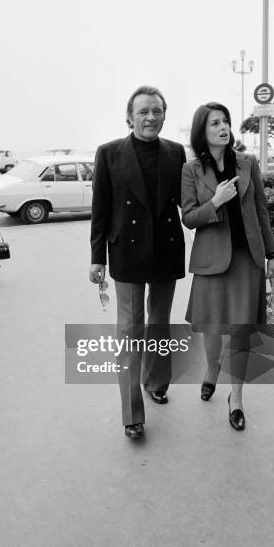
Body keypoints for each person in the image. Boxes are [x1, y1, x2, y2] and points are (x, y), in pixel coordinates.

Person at [89, 86, 187, 439]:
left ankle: (157, 382)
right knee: (130, 330)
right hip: (127, 253)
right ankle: (132, 414)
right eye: (143, 111)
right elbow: (99, 209)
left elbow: (186, 203)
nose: (150, 117)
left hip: (166, 249)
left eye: (157, 111)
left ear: (164, 115)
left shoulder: (176, 153)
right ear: (129, 117)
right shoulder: (109, 153)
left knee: (159, 323)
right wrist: (96, 257)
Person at [181, 103, 274, 430]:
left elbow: (262, 213)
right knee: (211, 327)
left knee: (240, 330)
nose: (223, 127)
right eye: (215, 123)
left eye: (225, 121)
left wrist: (272, 255)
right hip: (211, 260)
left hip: (247, 260)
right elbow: (190, 217)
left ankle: (235, 399)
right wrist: (216, 202)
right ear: (202, 131)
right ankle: (212, 370)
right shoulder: (192, 170)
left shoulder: (248, 163)